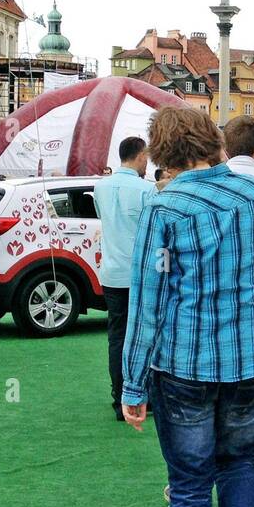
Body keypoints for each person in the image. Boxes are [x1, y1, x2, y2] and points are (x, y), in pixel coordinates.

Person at [121, 107, 254, 507]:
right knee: (239, 469)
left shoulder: (164, 209)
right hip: (250, 359)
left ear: (162, 151)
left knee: (188, 488)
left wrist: (132, 385)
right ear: (211, 139)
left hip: (184, 363)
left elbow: (147, 303)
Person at [93, 137, 156, 421]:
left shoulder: (100, 187)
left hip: (111, 272)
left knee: (116, 336)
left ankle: (118, 397)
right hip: (140, 274)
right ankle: (140, 395)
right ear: (141, 156)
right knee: (144, 337)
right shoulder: (146, 189)